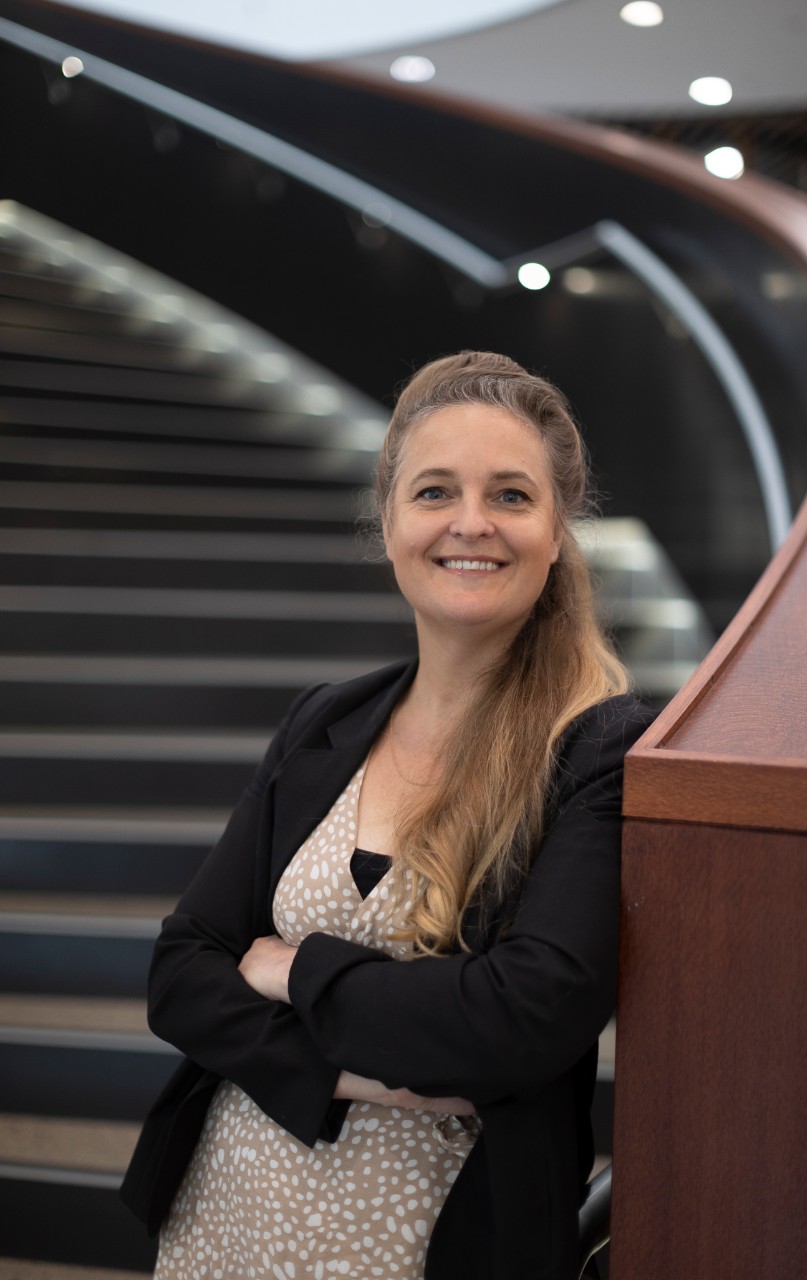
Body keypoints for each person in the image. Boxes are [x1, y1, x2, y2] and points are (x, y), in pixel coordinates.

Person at [121, 350, 652, 1280]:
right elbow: (181, 971)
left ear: (559, 529)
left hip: (435, 1250)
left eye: (512, 496)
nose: (470, 524)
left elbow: (512, 1027)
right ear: (391, 520)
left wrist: (294, 969)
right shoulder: (325, 719)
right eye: (435, 491)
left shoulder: (599, 751)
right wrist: (385, 1075)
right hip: (225, 1223)